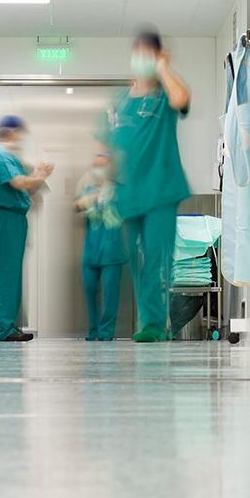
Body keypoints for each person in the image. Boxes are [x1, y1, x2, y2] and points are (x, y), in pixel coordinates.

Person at [102, 29, 191, 343]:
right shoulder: (120, 101)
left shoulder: (166, 93)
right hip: (129, 195)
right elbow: (110, 148)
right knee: (138, 263)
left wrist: (164, 68)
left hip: (161, 192)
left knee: (156, 257)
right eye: (136, 52)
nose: (140, 59)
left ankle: (153, 324)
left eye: (147, 54)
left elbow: (183, 98)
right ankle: (149, 320)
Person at [0, 115, 53, 342]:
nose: (21, 139)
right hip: (6, 219)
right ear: (10, 132)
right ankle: (4, 329)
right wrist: (39, 175)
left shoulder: (6, 157)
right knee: (8, 274)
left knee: (10, 273)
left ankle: (8, 327)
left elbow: (23, 188)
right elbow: (18, 183)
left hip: (11, 218)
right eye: (19, 134)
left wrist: (36, 177)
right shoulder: (0, 155)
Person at [75, 148, 127, 341]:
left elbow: (124, 213)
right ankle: (93, 330)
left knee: (110, 294)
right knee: (89, 289)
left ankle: (106, 332)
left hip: (112, 252)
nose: (98, 169)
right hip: (91, 252)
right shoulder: (87, 189)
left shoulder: (119, 191)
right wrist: (86, 201)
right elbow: (76, 207)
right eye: (96, 165)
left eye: (102, 165)